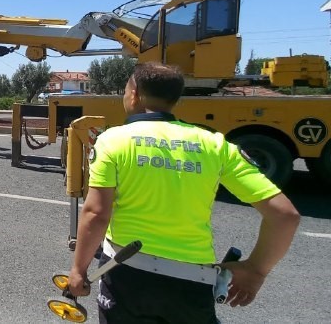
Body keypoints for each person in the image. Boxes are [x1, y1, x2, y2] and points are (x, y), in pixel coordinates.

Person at [67, 62, 300, 323]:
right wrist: (256, 269)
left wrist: (78, 270)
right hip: (193, 281)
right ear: (174, 99)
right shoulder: (215, 144)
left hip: (126, 273)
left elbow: (97, 213)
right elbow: (285, 216)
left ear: (134, 94)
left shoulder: (113, 140)